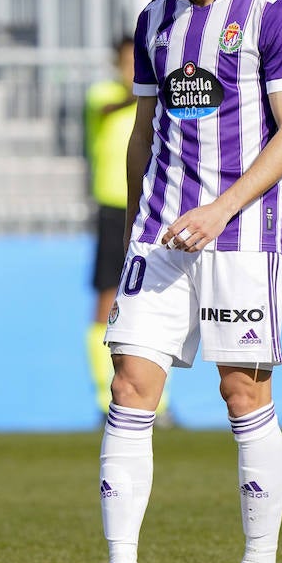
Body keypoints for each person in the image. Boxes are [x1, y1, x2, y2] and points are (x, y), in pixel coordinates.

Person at [82, 0, 282, 563]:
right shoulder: (154, 18)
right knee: (128, 388)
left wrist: (220, 208)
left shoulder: (272, 11)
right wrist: (132, 237)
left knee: (241, 393)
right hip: (159, 235)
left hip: (241, 232)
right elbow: (143, 132)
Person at [82, 35, 173, 424]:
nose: (131, 70)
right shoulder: (102, 94)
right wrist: (143, 86)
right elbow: (108, 108)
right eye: (127, 62)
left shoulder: (157, 99)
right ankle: (107, 398)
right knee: (107, 301)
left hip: (153, 205)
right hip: (113, 207)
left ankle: (156, 404)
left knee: (158, 304)